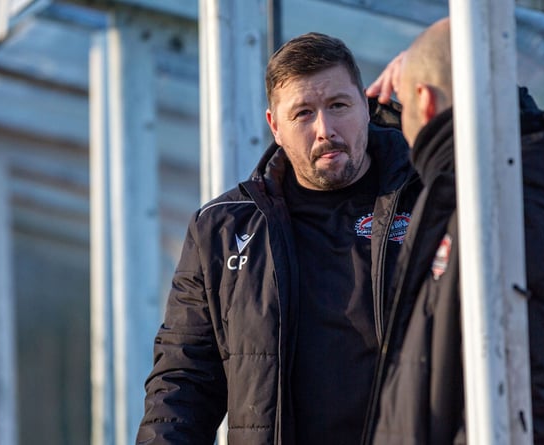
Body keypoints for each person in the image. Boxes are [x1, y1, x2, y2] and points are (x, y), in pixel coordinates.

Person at [136, 32, 422, 445]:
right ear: (275, 127)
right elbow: (183, 382)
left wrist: (448, 82)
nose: (325, 129)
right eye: (303, 113)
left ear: (365, 104)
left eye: (338, 106)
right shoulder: (222, 229)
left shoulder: (435, 195)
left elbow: (528, 166)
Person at [362, 17, 544, 445]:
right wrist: (435, 68)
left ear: (425, 102)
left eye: (405, 106)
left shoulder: (508, 210)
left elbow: (523, 408)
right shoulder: (522, 185)